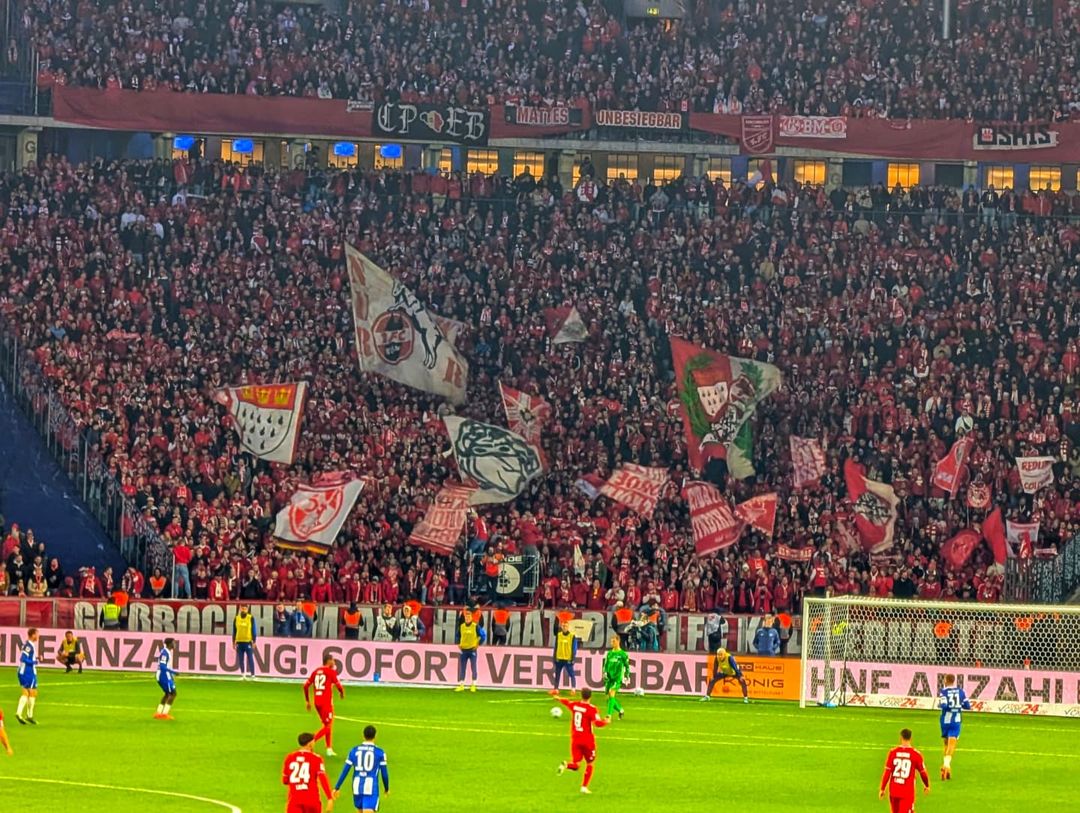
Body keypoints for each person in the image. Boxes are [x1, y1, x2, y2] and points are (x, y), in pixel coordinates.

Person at [550, 687, 608, 795]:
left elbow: (567, 702)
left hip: (575, 739)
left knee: (576, 765)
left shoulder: (575, 705)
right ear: (590, 696)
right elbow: (597, 723)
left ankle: (566, 765)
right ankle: (584, 787)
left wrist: (558, 698)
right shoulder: (592, 709)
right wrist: (606, 721)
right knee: (590, 763)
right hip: (587, 741)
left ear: (581, 695)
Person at [334, 725, 389, 813]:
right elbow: (384, 773)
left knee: (360, 811)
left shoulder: (354, 750)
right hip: (370, 787)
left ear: (363, 736)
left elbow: (345, 770)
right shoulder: (379, 752)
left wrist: (337, 787)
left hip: (357, 786)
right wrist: (386, 788)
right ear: (375, 736)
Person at [879, 728, 930, 813]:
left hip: (894, 791)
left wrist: (882, 788)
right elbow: (923, 772)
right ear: (911, 738)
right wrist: (926, 785)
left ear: (901, 738)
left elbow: (887, 772)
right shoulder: (916, 754)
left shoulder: (893, 753)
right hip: (907, 792)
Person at [304, 655, 345, 757]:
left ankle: (329, 749)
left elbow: (305, 686)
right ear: (329, 661)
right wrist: (341, 692)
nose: (334, 662)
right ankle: (312, 741)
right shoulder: (330, 672)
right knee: (328, 726)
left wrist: (307, 701)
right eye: (333, 660)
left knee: (327, 724)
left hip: (317, 702)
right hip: (326, 702)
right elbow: (338, 685)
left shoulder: (316, 671)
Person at [282, 732, 334, 813]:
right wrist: (329, 797)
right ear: (310, 743)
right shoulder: (316, 758)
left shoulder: (290, 758)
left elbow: (285, 780)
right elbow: (323, 778)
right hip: (312, 800)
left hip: (294, 800)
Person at [938, 674, 971, 780]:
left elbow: (943, 705)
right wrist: (958, 705)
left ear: (946, 680)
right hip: (955, 721)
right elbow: (967, 706)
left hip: (945, 721)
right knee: (952, 745)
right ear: (953, 681)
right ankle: (946, 765)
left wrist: (940, 705)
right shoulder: (960, 692)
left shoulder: (943, 692)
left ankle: (947, 769)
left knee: (946, 744)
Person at [454, 608, 486, 692]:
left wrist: (478, 644)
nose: (467, 619)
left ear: (471, 617)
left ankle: (473, 684)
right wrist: (458, 644)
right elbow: (457, 636)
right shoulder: (462, 626)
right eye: (466, 617)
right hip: (463, 650)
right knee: (462, 667)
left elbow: (483, 635)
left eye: (468, 617)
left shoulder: (475, 626)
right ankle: (461, 685)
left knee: (473, 667)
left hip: (472, 649)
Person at [602, 634, 631, 721]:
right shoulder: (609, 654)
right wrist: (604, 673)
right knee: (608, 699)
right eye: (611, 641)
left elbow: (627, 666)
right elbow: (606, 665)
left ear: (618, 641)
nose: (612, 643)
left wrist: (626, 676)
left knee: (611, 692)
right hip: (609, 678)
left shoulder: (623, 654)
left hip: (617, 678)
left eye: (613, 641)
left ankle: (608, 716)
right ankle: (620, 710)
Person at [15, 627, 39, 725]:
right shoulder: (29, 645)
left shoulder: (29, 645)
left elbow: (27, 657)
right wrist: (34, 661)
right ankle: (23, 714)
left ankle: (25, 714)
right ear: (33, 635)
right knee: (30, 692)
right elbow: (23, 658)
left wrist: (35, 658)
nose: (38, 636)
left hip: (25, 671)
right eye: (37, 634)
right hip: (27, 672)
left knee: (30, 692)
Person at [154, 637, 179, 720]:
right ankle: (164, 714)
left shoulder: (166, 652)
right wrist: (173, 672)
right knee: (173, 693)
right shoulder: (165, 653)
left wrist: (171, 677)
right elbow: (162, 666)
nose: (175, 644)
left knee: (168, 694)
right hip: (163, 675)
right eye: (173, 643)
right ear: (169, 644)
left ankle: (158, 713)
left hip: (165, 675)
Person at [551, 620, 579, 691]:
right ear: (561, 626)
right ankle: (556, 688)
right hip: (559, 658)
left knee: (571, 674)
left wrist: (573, 658)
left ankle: (573, 688)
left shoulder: (572, 636)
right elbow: (556, 646)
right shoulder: (559, 635)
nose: (564, 627)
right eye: (563, 626)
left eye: (566, 626)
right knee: (557, 674)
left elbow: (574, 648)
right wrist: (554, 657)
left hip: (568, 659)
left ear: (568, 627)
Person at [233, 604, 257, 679]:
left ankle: (253, 675)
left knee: (250, 658)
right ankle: (243, 674)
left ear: (247, 609)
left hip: (248, 641)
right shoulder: (236, 618)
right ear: (240, 609)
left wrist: (254, 640)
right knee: (240, 659)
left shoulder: (250, 618)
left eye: (245, 608)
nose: (243, 610)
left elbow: (254, 630)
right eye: (242, 608)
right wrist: (233, 641)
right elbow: (234, 631)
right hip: (239, 641)